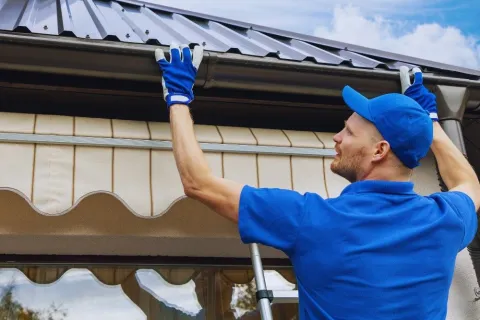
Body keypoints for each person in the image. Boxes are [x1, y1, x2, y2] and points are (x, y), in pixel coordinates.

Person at [154, 44, 480, 320]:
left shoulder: (312, 220)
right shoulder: (444, 220)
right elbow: (468, 183)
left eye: (349, 133)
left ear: (380, 150)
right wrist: (431, 123)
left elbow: (199, 183)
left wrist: (178, 98)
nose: (337, 138)